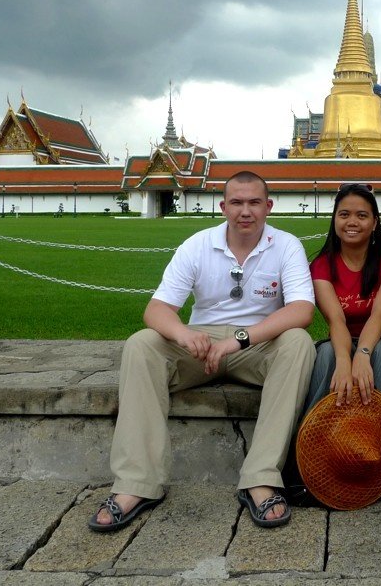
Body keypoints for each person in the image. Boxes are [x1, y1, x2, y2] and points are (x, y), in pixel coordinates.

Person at [88, 171, 316, 532]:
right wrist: (182, 333)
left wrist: (238, 339)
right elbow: (156, 309)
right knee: (141, 344)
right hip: (201, 344)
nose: (245, 211)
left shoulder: (285, 245)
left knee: (298, 343)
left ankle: (260, 477)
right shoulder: (198, 244)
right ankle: (137, 483)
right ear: (223, 207)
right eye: (237, 203)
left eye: (254, 202)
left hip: (255, 343)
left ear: (268, 206)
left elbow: (302, 310)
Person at [303, 182, 381, 507]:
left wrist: (361, 355)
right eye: (344, 214)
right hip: (342, 342)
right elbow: (335, 321)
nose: (352, 221)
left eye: (362, 215)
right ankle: (313, 450)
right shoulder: (322, 264)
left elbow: (380, 316)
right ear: (334, 219)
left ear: (375, 222)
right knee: (323, 353)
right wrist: (344, 358)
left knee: (378, 351)